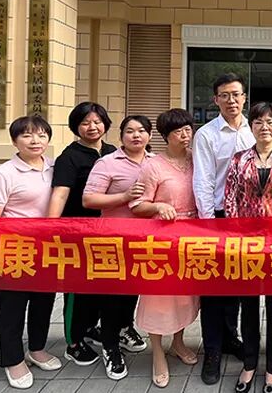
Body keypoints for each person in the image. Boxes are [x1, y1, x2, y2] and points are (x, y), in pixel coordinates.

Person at [46, 102, 130, 379]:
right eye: (85, 123)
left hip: (108, 232)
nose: (92, 127)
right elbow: (60, 193)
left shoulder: (113, 152)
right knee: (77, 289)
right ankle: (73, 341)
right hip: (77, 232)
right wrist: (49, 227)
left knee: (102, 287)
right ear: (76, 127)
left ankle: (93, 328)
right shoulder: (69, 157)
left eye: (97, 122)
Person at [225, 102, 272, 393]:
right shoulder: (239, 159)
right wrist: (238, 235)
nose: (264, 127)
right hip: (246, 244)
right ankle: (249, 363)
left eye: (270, 122)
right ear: (251, 126)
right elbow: (230, 198)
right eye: (258, 122)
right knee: (248, 305)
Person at [0, 115, 61, 389]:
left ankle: (36, 349)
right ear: (15, 141)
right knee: (13, 307)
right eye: (27, 135)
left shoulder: (53, 167)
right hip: (15, 250)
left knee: (43, 303)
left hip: (47, 249)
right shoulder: (3, 174)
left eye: (41, 135)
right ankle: (12, 359)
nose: (35, 141)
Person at [131, 109, 201, 389]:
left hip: (192, 238)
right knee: (158, 298)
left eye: (188, 129)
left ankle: (178, 343)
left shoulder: (197, 159)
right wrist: (159, 206)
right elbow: (137, 205)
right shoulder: (153, 166)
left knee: (185, 296)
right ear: (164, 136)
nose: (185, 135)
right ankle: (157, 353)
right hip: (161, 240)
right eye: (178, 131)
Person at [192, 73, 254, 384]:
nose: (231, 100)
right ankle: (213, 350)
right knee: (213, 289)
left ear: (244, 97)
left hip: (248, 219)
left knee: (237, 284)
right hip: (216, 216)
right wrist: (208, 225)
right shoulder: (206, 135)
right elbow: (202, 180)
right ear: (216, 99)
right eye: (225, 95)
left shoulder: (254, 131)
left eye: (236, 94)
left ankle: (230, 337)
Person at [82, 114, 154, 379]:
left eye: (141, 131)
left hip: (143, 239)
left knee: (133, 289)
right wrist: (124, 196)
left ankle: (125, 328)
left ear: (149, 135)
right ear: (121, 136)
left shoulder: (155, 162)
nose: (136, 135)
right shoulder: (108, 162)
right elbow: (89, 199)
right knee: (112, 295)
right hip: (112, 240)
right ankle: (110, 347)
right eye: (130, 131)